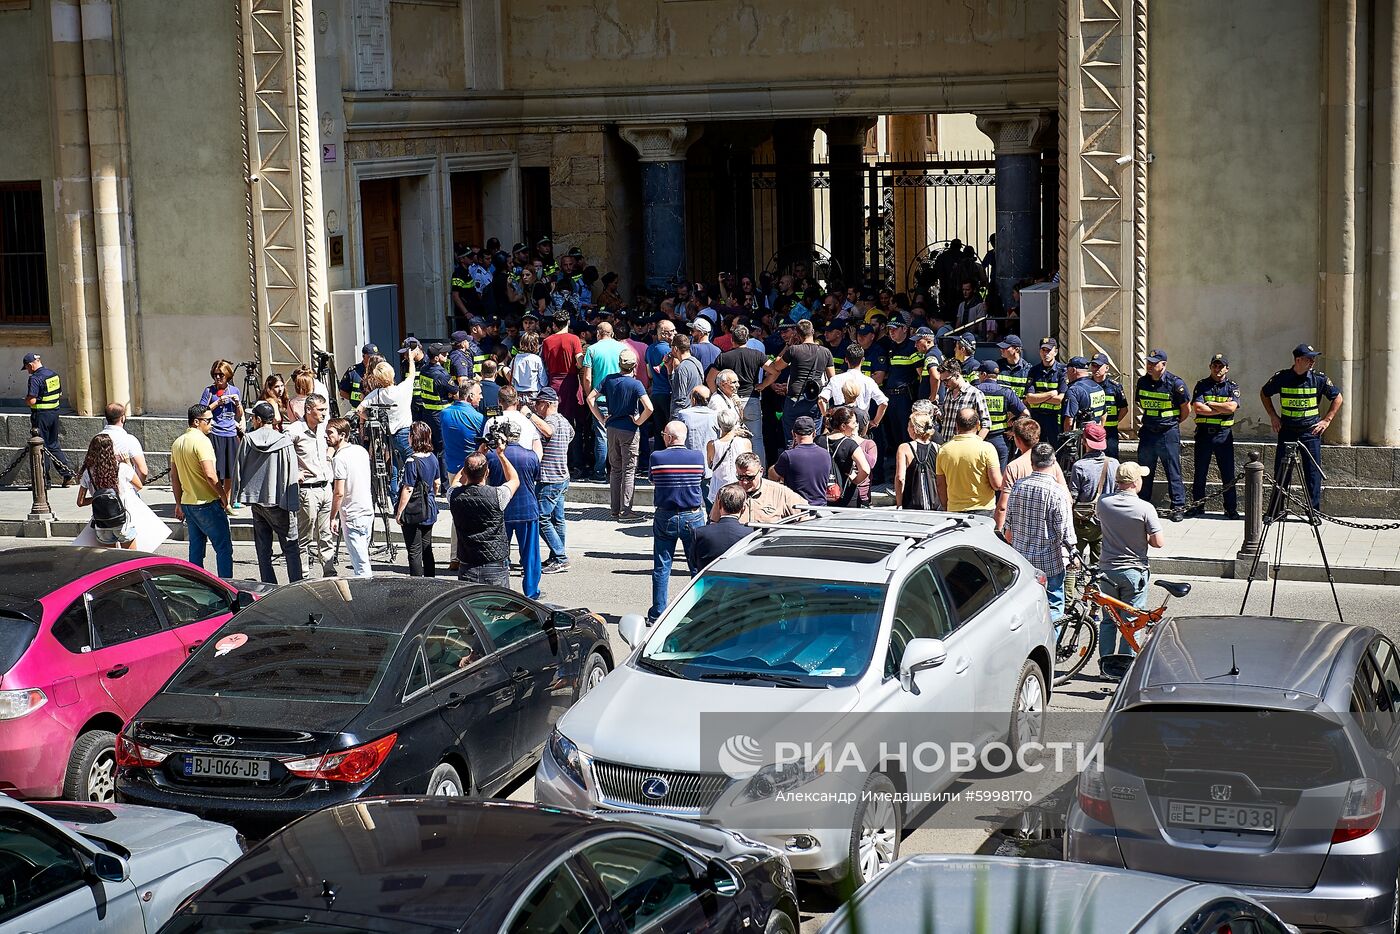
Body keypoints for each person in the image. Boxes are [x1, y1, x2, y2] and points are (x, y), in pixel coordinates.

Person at [1260, 342, 1343, 515]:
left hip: (1310, 432)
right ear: (1298, 360)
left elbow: (1338, 397)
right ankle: (1276, 510)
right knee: (1282, 472)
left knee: (1312, 473)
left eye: (1313, 359)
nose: (1312, 362)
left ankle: (1314, 512)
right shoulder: (1282, 377)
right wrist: (1273, 416)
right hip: (1288, 430)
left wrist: (1327, 420)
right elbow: (1264, 393)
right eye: (1309, 359)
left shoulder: (1319, 379)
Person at [1096, 462, 1165, 657]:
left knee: (1109, 620)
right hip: (1133, 571)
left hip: (1107, 570)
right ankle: (1126, 663)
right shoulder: (1145, 508)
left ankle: (1106, 663)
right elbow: (1158, 542)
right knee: (1132, 621)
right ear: (1135, 482)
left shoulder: (1104, 502)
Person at [1005, 443, 1077, 621]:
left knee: (1025, 609)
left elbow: (1009, 527)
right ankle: (1052, 644)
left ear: (1032, 462)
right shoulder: (1057, 492)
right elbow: (1066, 533)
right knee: (1053, 607)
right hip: (1049, 563)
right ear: (1053, 462)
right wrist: (1073, 557)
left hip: (1022, 562)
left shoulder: (1018, 486)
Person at [237, 401, 305, 584]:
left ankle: (269, 586)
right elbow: (291, 473)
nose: (252, 420)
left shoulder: (248, 439)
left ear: (258, 420)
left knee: (263, 548)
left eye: (253, 418)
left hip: (256, 499)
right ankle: (296, 586)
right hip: (278, 500)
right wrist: (292, 503)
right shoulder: (283, 441)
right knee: (290, 547)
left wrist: (238, 494)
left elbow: (239, 466)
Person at [648, 421, 707, 622]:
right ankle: (697, 610)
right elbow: (703, 477)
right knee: (696, 566)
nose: (663, 437)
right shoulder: (697, 456)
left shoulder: (656, 457)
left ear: (670, 438)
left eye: (664, 434)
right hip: (693, 515)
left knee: (662, 565)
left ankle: (658, 613)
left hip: (666, 515)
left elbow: (653, 480)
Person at [171, 404, 233, 578]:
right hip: (207, 503)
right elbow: (211, 475)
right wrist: (223, 496)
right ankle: (227, 585)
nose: (212, 423)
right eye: (209, 420)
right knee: (223, 548)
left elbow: (174, 477)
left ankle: (195, 584)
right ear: (197, 422)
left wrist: (178, 503)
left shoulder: (178, 442)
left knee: (196, 549)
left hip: (188, 503)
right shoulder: (202, 441)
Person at [590, 348, 652, 519]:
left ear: (619, 364)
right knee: (629, 470)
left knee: (615, 469)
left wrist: (602, 418)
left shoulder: (609, 380)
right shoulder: (636, 384)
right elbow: (649, 407)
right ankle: (626, 509)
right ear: (634, 366)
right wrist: (638, 421)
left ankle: (614, 509)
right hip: (629, 430)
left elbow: (590, 398)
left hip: (612, 428)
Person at [486, 419, 543, 600]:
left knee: (500, 554)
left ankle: (500, 590)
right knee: (530, 555)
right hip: (527, 509)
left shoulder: (492, 456)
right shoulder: (531, 456)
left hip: (502, 510)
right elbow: (535, 478)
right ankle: (531, 591)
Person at [757, 320, 835, 445]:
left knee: (791, 439)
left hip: (794, 400)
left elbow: (776, 366)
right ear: (813, 332)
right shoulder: (825, 352)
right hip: (814, 400)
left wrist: (788, 345)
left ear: (797, 334)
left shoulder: (793, 350)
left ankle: (793, 461)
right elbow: (833, 380)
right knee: (814, 439)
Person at [450, 444, 519, 586]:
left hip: (467, 562)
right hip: (494, 562)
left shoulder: (454, 495)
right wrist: (501, 455)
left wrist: (476, 455)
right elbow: (514, 480)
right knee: (498, 606)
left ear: (466, 472)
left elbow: (456, 481)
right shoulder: (498, 495)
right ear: (487, 472)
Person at [1135, 348, 1191, 521]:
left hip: (1168, 433)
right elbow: (1140, 403)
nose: (1150, 366)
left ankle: (1178, 506)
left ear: (1163, 365)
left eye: (1154, 363)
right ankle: (1143, 504)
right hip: (1148, 432)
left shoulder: (1176, 384)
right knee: (1145, 470)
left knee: (1173, 471)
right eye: (1148, 363)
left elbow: (1185, 410)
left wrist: (1172, 424)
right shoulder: (1142, 382)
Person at [287, 392, 336, 577]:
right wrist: (294, 473)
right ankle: (303, 574)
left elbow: (334, 442)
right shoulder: (294, 431)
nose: (324, 414)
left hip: (325, 487)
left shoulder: (324, 428)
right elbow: (282, 454)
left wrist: (329, 454)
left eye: (325, 410)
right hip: (307, 490)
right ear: (309, 410)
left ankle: (329, 571)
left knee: (326, 534)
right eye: (320, 410)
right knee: (305, 536)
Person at [994, 416, 1070, 533]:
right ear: (1038, 438)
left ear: (1017, 440)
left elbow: (1003, 507)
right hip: (1047, 531)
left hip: (1020, 531)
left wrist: (999, 532)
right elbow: (1066, 495)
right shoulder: (1051, 463)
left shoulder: (1013, 467)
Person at [1190, 352, 1242, 519]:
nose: (1217, 369)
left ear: (1227, 368)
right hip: (1204, 435)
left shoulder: (1232, 387)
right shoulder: (1202, 385)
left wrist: (1211, 404)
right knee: (1200, 472)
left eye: (1221, 366)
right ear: (1210, 367)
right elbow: (1197, 408)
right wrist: (1221, 408)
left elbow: (1232, 408)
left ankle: (1230, 508)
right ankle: (1198, 506)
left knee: (1227, 473)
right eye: (1215, 365)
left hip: (1223, 436)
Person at [707, 323, 767, 464]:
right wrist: (763, 385)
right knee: (756, 438)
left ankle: (736, 469)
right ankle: (760, 471)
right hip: (751, 399)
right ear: (747, 339)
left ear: (732, 340)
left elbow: (710, 379)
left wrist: (719, 394)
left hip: (729, 402)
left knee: (730, 436)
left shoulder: (724, 357)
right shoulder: (757, 355)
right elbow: (774, 370)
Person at [1067, 423, 1118, 583]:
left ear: (1085, 442)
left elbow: (1073, 497)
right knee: (1099, 566)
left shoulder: (1080, 466)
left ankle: (1068, 603)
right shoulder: (1114, 464)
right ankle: (1095, 600)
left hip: (1082, 522)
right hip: (1106, 521)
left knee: (1072, 562)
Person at [531, 388, 574, 574]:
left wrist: (530, 417)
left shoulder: (550, 421)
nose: (535, 407)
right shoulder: (564, 420)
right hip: (562, 476)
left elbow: (548, 431)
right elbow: (571, 435)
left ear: (547, 404)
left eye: (538, 403)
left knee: (541, 518)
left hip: (550, 478)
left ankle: (561, 557)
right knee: (558, 520)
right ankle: (556, 557)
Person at [358, 357, 417, 490]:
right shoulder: (403, 389)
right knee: (412, 463)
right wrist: (411, 359)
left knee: (394, 466)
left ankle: (394, 496)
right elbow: (412, 374)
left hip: (389, 433)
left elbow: (359, 409)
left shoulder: (377, 393)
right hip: (405, 432)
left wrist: (368, 418)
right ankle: (412, 493)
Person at [327, 416, 374, 578]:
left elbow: (338, 492)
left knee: (361, 566)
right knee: (362, 559)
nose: (327, 436)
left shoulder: (339, 458)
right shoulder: (360, 451)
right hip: (367, 510)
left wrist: (332, 517)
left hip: (352, 514)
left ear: (342, 435)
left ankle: (367, 599)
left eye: (330, 433)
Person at [75, 433, 141, 549]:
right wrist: (128, 463)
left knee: (110, 561)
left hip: (102, 523)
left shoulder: (88, 473)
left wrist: (97, 497)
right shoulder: (122, 468)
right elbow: (139, 486)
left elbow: (80, 502)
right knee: (131, 559)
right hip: (122, 521)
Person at [21, 351, 76, 487]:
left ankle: (43, 481)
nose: (27, 371)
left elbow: (32, 400)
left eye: (27, 368)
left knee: (40, 446)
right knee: (53, 445)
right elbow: (59, 393)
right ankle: (67, 475)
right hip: (54, 414)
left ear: (30, 365)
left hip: (41, 416)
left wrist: (26, 400)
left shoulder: (35, 378)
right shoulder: (53, 375)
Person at [935, 407, 1002, 516]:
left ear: (956, 425)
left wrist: (946, 506)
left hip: (954, 510)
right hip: (984, 510)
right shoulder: (987, 448)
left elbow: (940, 484)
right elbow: (997, 484)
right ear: (978, 425)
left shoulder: (943, 450)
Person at [580, 320, 625, 481]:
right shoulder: (622, 348)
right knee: (620, 435)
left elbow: (586, 377)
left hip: (600, 399)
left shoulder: (592, 349)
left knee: (601, 435)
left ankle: (600, 472)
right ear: (612, 333)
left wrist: (589, 396)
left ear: (598, 334)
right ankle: (618, 471)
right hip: (620, 399)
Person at [396, 421, 441, 577]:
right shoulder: (433, 458)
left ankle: (417, 583)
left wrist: (400, 511)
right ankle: (431, 580)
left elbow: (408, 488)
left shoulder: (412, 461)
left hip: (414, 510)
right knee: (427, 547)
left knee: (414, 551)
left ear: (412, 438)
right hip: (429, 507)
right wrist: (431, 497)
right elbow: (437, 483)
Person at [198, 360, 243, 507]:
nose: (218, 378)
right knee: (216, 470)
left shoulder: (234, 390)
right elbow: (201, 411)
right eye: (215, 375)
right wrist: (217, 403)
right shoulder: (209, 391)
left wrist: (237, 403)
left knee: (230, 470)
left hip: (230, 433)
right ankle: (217, 498)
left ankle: (227, 500)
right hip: (215, 432)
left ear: (228, 376)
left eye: (221, 375)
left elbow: (239, 414)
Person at [721, 452, 807, 524]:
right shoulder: (727, 493)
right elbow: (714, 523)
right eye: (740, 477)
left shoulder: (780, 493)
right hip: (739, 543)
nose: (744, 482)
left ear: (761, 471)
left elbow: (807, 514)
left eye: (750, 477)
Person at [770, 415, 832, 506]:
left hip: (796, 510)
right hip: (821, 508)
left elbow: (773, 476)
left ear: (793, 434)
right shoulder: (825, 454)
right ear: (814, 433)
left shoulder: (788, 456)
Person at [974, 359, 1025, 468]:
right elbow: (1025, 413)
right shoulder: (1006, 392)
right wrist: (1013, 431)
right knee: (999, 479)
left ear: (984, 374)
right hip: (1000, 440)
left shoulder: (974, 391)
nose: (978, 376)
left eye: (979, 373)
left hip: (979, 439)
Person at [690, 483, 752, 571]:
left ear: (719, 505)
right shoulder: (750, 533)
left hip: (709, 582)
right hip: (740, 582)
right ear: (743, 508)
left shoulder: (700, 533)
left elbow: (693, 563)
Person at [822, 406, 871, 507]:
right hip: (846, 495)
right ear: (843, 426)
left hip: (823, 493)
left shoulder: (819, 441)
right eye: (853, 423)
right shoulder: (850, 444)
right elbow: (866, 469)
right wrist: (855, 480)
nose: (856, 425)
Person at [1024, 337, 1066, 448]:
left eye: (1048, 350)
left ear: (1055, 352)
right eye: (1043, 350)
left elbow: (1059, 399)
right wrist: (1051, 394)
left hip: (1054, 420)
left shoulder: (1062, 371)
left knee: (1056, 450)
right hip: (1037, 418)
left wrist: (1038, 398)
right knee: (1037, 449)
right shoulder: (1034, 371)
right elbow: (1029, 398)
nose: (1045, 353)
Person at [895, 410, 941, 509]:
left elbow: (900, 478)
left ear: (914, 429)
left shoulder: (904, 448)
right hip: (936, 503)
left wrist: (899, 503)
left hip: (912, 503)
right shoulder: (938, 448)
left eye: (908, 426)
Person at [936, 359, 990, 442]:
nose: (944, 384)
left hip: (964, 447)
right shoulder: (948, 393)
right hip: (946, 445)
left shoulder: (975, 394)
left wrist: (976, 444)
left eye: (946, 380)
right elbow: (946, 418)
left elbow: (986, 424)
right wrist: (938, 412)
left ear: (957, 374)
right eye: (942, 381)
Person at [707, 405, 752, 500]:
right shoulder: (745, 442)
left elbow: (710, 464)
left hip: (719, 488)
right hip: (740, 486)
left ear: (719, 425)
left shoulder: (712, 445)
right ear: (736, 424)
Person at [647, 319, 677, 453]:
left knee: (659, 429)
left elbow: (650, 374)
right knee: (670, 429)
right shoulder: (669, 351)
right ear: (664, 334)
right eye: (672, 331)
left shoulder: (649, 348)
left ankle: (658, 460)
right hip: (668, 393)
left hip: (656, 393)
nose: (675, 333)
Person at [99, 402, 148, 482]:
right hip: (124, 490)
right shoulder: (129, 439)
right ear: (122, 418)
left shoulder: (97, 438)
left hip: (100, 491)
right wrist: (135, 487)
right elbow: (143, 472)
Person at [1090, 353, 1127, 458]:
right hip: (1091, 432)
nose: (1095, 369)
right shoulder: (1087, 385)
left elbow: (1124, 409)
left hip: (1110, 433)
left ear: (1106, 368)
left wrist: (1114, 421)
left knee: (1111, 460)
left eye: (1098, 366)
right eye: (1093, 365)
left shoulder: (1115, 387)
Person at [1061, 355, 1107, 432]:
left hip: (1082, 438)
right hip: (1097, 437)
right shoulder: (1098, 387)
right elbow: (1104, 415)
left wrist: (1067, 439)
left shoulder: (1074, 390)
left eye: (1067, 369)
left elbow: (1069, 420)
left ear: (1073, 370)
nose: (1066, 372)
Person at [511, 331, 547, 400]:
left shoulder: (515, 359)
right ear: (536, 345)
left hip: (518, 393)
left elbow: (512, 377)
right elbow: (543, 381)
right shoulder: (537, 359)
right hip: (533, 393)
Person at [996, 334, 1033, 400]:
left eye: (1006, 348)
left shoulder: (1028, 370)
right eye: (1001, 348)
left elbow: (1029, 396)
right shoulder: (997, 366)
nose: (1001, 350)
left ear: (1017, 349)